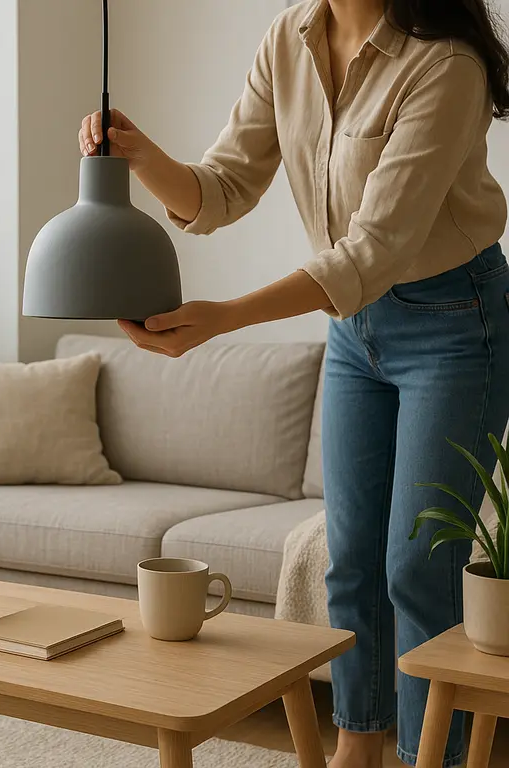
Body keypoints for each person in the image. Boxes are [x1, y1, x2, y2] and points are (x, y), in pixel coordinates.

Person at [79, 1, 509, 766]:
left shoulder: (447, 65)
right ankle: (358, 742)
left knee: (418, 563)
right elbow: (220, 190)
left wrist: (224, 318)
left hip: (453, 323)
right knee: (349, 556)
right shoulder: (291, 36)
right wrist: (139, 156)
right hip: (356, 329)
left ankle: (426, 756)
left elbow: (371, 252)